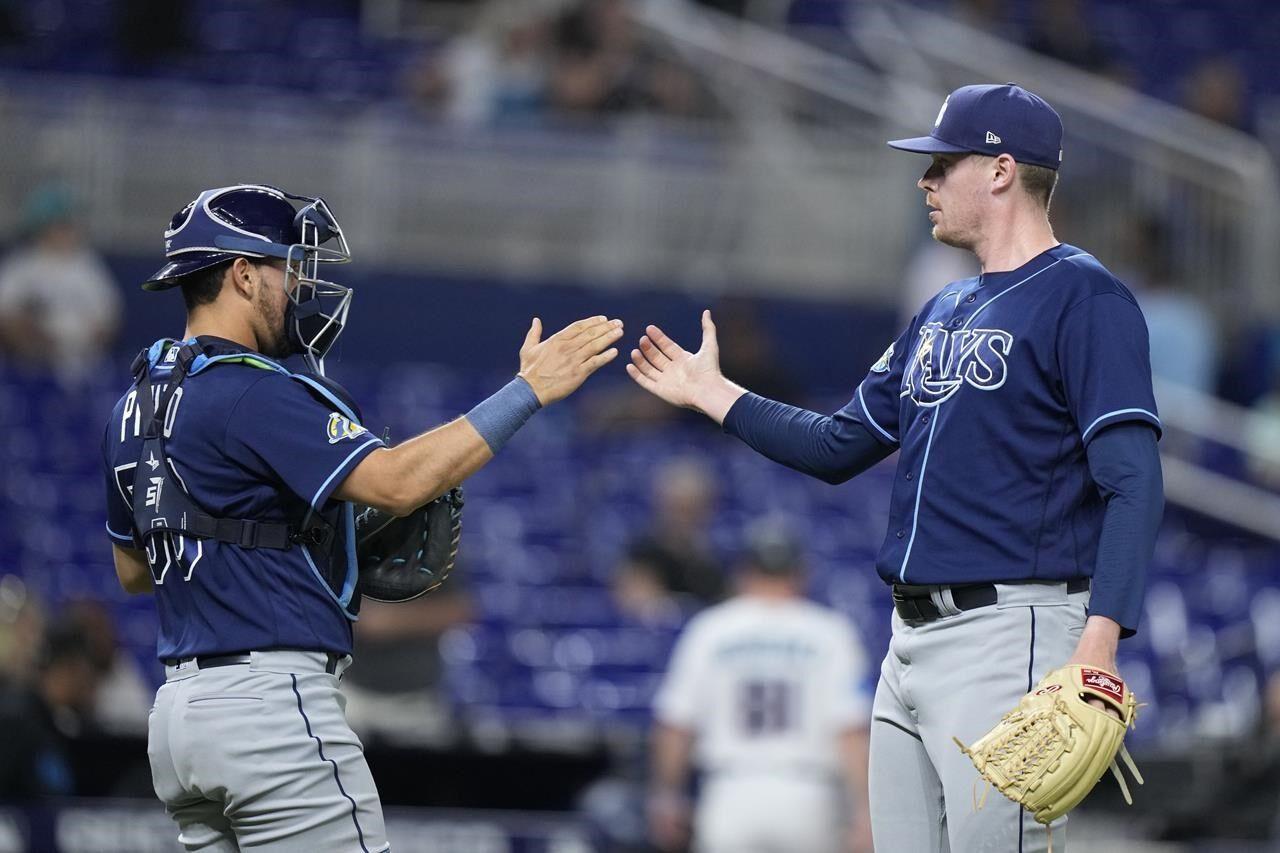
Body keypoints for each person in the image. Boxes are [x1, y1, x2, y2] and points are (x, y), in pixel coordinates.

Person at [625, 84, 1165, 851]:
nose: (926, 181)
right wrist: (715, 393)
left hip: (1013, 630)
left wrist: (1100, 641)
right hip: (907, 642)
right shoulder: (942, 309)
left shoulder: (1085, 297)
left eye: (944, 164)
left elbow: (1134, 479)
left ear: (1003, 170)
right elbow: (838, 445)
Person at [101, 184, 622, 852]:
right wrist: (529, 391)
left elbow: (134, 571)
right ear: (242, 273)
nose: (300, 288)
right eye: (289, 269)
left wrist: (273, 540)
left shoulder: (134, 404)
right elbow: (399, 482)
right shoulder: (251, 387)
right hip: (269, 714)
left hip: (178, 724)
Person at [648, 520, 873, 853]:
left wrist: (666, 796)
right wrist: (864, 812)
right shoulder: (830, 632)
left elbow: (676, 724)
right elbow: (850, 732)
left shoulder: (711, 628)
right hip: (807, 795)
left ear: (744, 572)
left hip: (730, 792)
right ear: (800, 573)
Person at [0, 183, 121, 382]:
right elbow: (7, 320)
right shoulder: (20, 267)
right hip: (27, 369)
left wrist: (76, 343)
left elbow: (108, 321)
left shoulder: (88, 267)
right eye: (61, 225)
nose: (69, 231)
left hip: (81, 370)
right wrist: (39, 340)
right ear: (43, 226)